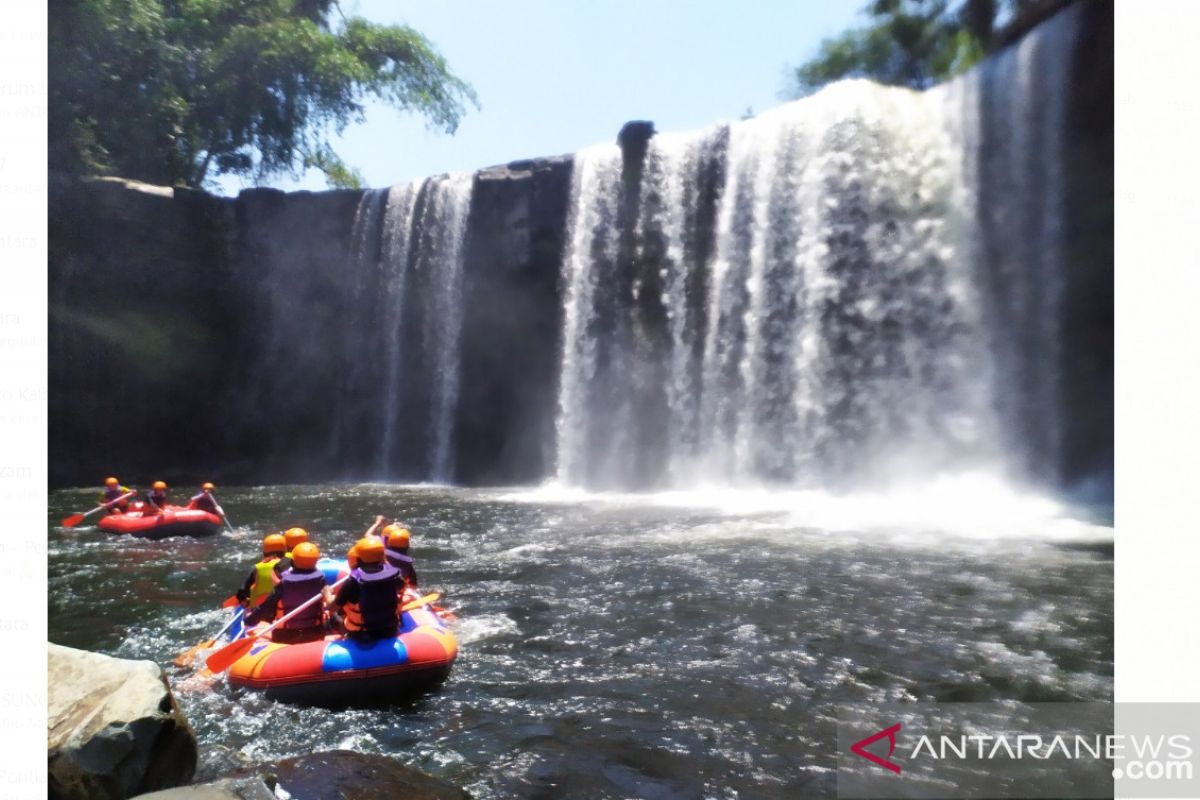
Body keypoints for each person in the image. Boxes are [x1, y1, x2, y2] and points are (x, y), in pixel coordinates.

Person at [247, 542, 328, 645]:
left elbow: (266, 606)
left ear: (293, 561)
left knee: (262, 623)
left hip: (286, 636)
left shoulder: (285, 583)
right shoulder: (321, 579)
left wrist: (249, 620)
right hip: (315, 632)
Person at [328, 537, 401, 643]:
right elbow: (402, 588)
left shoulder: (353, 582)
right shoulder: (394, 576)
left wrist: (326, 593)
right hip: (389, 630)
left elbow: (332, 607)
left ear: (358, 558)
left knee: (333, 617)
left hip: (362, 635)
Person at [235, 534, 287, 609]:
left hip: (261, 613)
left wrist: (247, 605)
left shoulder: (257, 569)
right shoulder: (293, 564)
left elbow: (241, 594)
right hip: (285, 611)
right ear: (284, 549)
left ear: (264, 552)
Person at [381, 524, 419, 589]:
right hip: (396, 589)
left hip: (378, 587)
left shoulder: (380, 555)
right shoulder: (407, 563)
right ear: (407, 546)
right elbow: (413, 583)